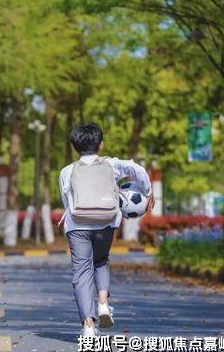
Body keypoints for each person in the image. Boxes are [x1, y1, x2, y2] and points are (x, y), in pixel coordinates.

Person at [59, 122, 154, 338]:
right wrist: (148, 192)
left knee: (81, 271)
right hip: (106, 223)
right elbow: (137, 169)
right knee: (101, 261)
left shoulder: (66, 171)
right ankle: (103, 303)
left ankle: (88, 326)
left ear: (74, 147)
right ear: (100, 145)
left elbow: (66, 201)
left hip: (77, 226)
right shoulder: (111, 165)